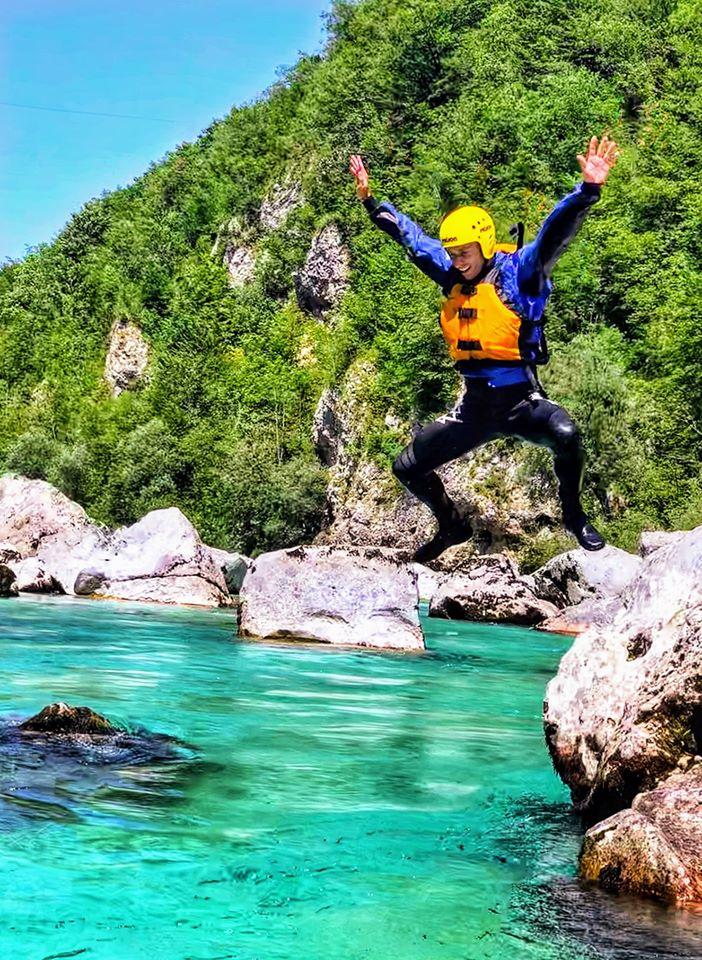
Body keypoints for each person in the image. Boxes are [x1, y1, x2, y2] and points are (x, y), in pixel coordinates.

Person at [349, 135, 620, 562]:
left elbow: (554, 236)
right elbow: (410, 237)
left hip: (521, 402)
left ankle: (574, 516)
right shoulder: (452, 273)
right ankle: (451, 524)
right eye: (453, 253)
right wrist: (370, 201)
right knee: (406, 467)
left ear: (484, 244)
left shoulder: (519, 273)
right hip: (474, 409)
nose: (457, 260)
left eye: (464, 253)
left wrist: (586, 192)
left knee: (567, 435)